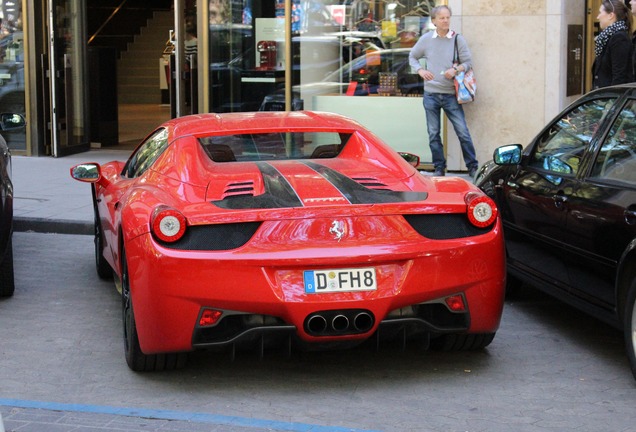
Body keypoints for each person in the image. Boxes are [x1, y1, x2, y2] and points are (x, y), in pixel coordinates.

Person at [408, 5, 478, 178]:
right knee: (433, 134)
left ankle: (473, 167)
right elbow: (412, 56)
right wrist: (420, 70)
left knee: (462, 131)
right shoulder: (426, 39)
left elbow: (468, 62)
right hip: (430, 95)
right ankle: (439, 167)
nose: (446, 20)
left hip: (451, 96)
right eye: (442, 18)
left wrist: (455, 70)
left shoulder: (457, 39)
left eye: (448, 17)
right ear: (434, 21)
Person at [592, 0, 633, 89]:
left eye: (600, 13)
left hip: (610, 99)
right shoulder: (606, 37)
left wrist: (612, 99)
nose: (598, 17)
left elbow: (619, 76)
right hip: (602, 97)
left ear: (611, 15)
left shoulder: (619, 38)